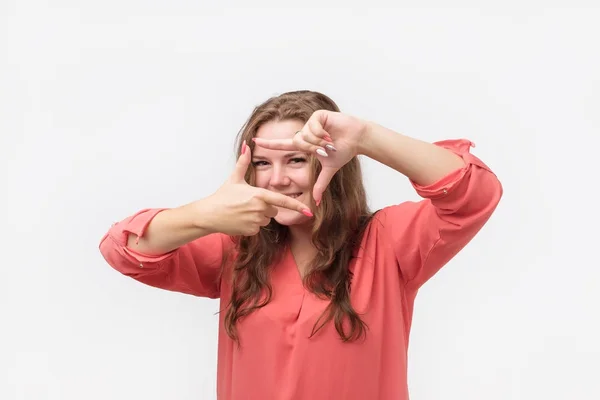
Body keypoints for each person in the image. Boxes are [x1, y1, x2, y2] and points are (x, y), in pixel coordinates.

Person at [99, 90, 503, 399]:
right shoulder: (234, 251)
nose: (276, 180)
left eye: (295, 160)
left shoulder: (388, 242)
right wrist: (205, 214)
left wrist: (364, 136)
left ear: (334, 162)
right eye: (262, 163)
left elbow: (473, 193)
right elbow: (124, 249)